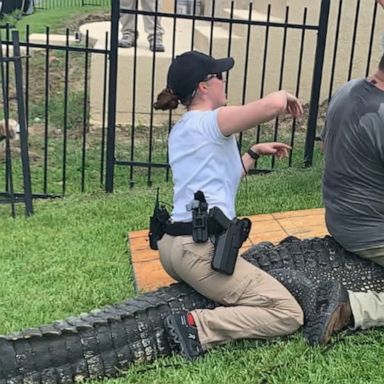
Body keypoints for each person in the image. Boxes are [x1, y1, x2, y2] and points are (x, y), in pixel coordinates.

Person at [152, 50, 342, 361]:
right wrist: (284, 96)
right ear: (204, 86)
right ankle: (197, 326)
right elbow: (271, 106)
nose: (224, 82)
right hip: (198, 252)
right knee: (287, 312)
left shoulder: (183, 129)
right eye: (220, 76)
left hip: (172, 249)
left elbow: (222, 181)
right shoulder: (211, 121)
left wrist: (253, 152)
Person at [320, 34, 384, 339]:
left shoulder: (347, 89)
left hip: (338, 216)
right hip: (372, 232)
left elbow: (325, 149)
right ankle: (358, 308)